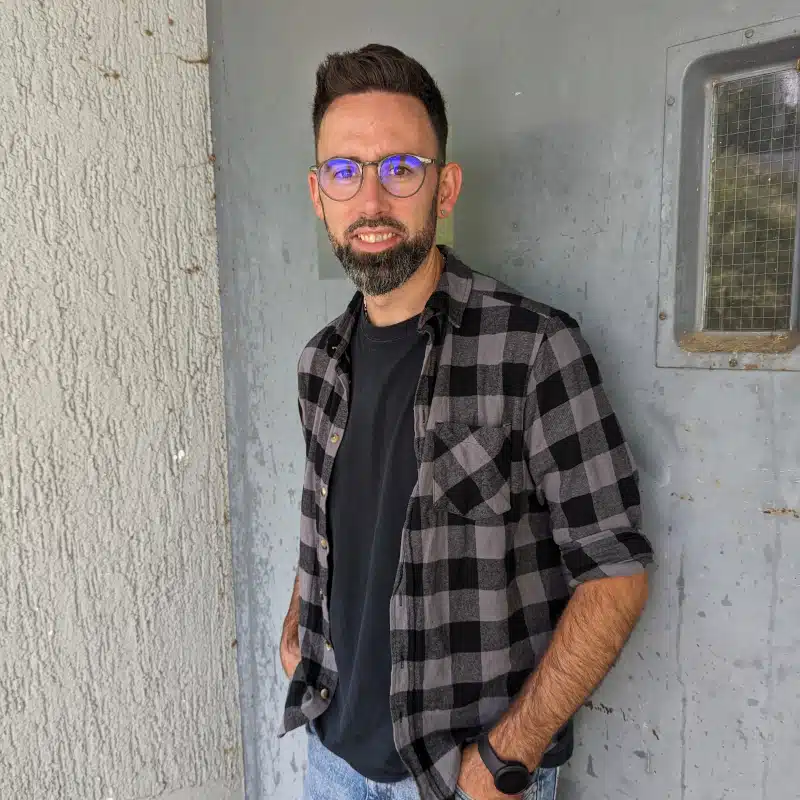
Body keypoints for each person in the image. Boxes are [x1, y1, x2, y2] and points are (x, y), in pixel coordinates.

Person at [278, 43, 654, 800]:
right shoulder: (320, 364)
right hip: (330, 760)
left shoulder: (534, 349)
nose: (372, 200)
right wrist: (296, 632)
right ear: (318, 193)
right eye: (346, 171)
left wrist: (507, 759)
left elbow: (616, 572)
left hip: (463, 782)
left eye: (401, 169)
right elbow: (333, 523)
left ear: (444, 188)